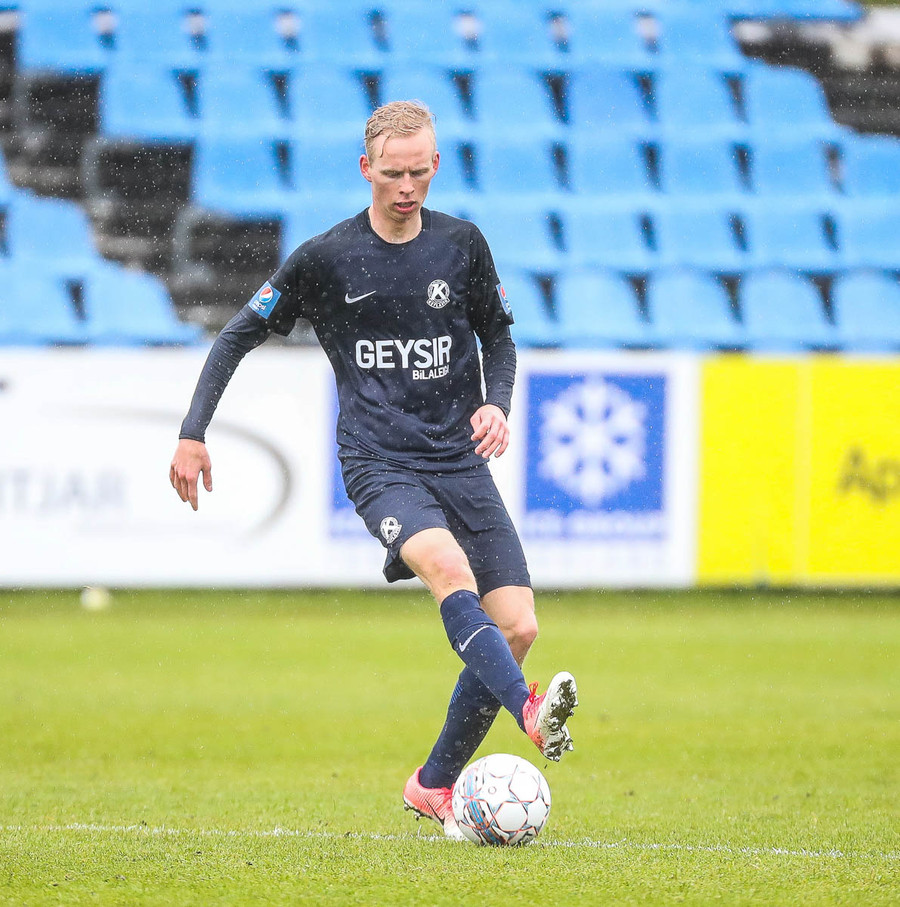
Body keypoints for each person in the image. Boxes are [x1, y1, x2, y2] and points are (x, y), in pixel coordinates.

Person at [169, 100, 578, 840]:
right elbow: (236, 335)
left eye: (419, 172)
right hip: (379, 460)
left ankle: (433, 783)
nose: (407, 186)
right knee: (448, 570)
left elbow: (499, 337)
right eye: (392, 173)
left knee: (518, 625)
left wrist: (498, 402)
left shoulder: (462, 245)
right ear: (366, 169)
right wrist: (193, 432)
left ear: (436, 165)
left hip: (459, 460)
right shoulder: (326, 258)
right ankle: (527, 709)